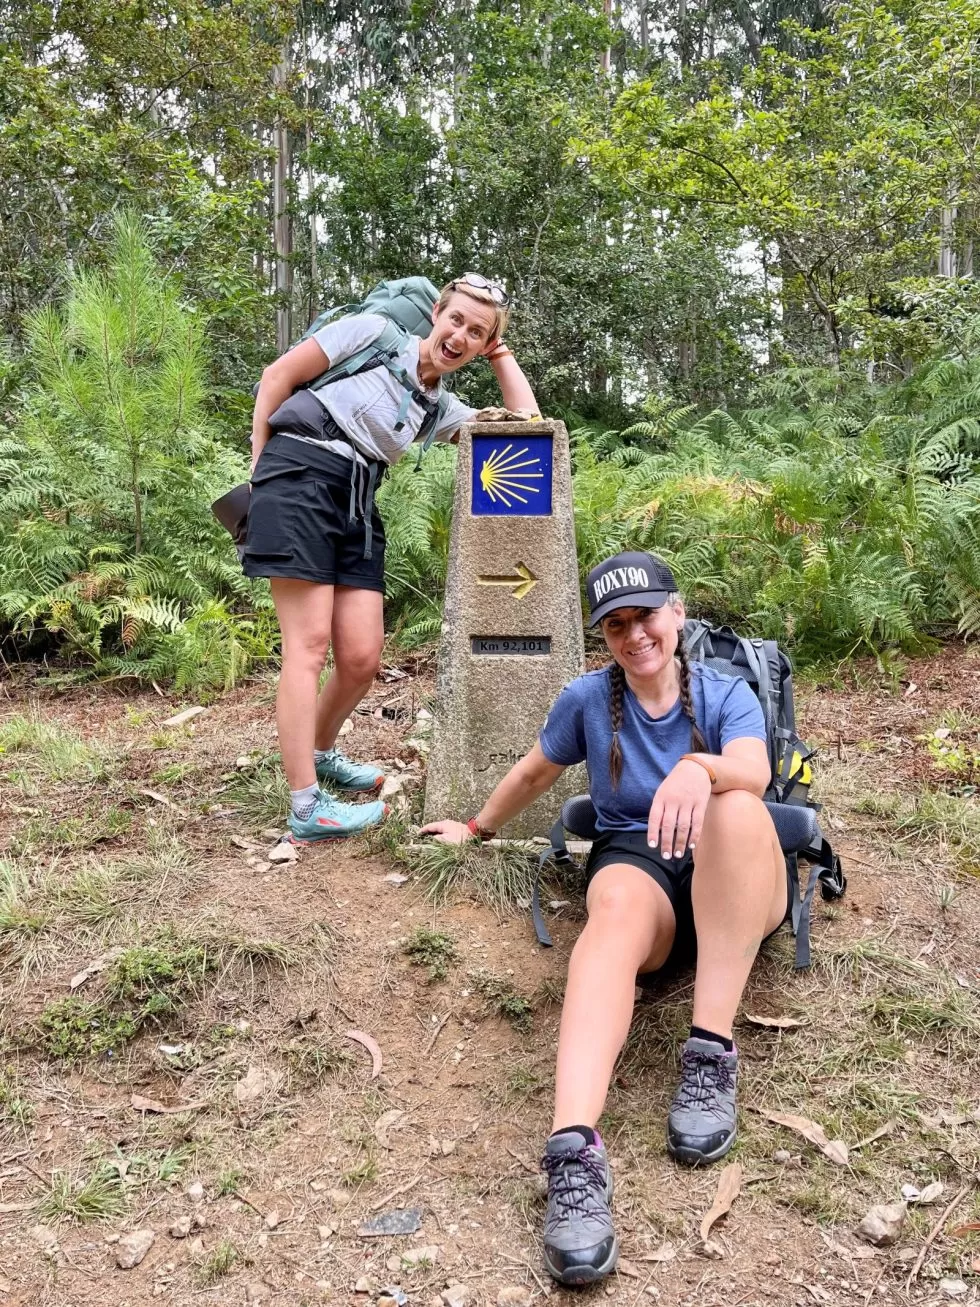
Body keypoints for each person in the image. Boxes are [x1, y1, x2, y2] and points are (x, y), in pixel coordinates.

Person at [421, 550, 791, 1287]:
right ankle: (572, 1153)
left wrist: (700, 768)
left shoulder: (726, 692)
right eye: (615, 624)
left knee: (740, 808)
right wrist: (478, 827)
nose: (634, 634)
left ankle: (709, 1052)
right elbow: (534, 771)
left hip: (736, 874)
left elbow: (752, 766)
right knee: (611, 908)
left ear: (677, 613)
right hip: (642, 866)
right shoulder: (589, 699)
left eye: (646, 615)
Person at [245, 275, 539, 844]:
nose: (460, 336)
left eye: (476, 334)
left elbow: (527, 426)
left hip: (358, 500)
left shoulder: (440, 409)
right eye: (455, 320)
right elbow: (277, 377)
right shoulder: (374, 333)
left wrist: (501, 349)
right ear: (436, 313)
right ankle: (306, 807)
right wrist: (261, 478)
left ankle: (320, 753)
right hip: (298, 476)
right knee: (306, 648)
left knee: (360, 657)